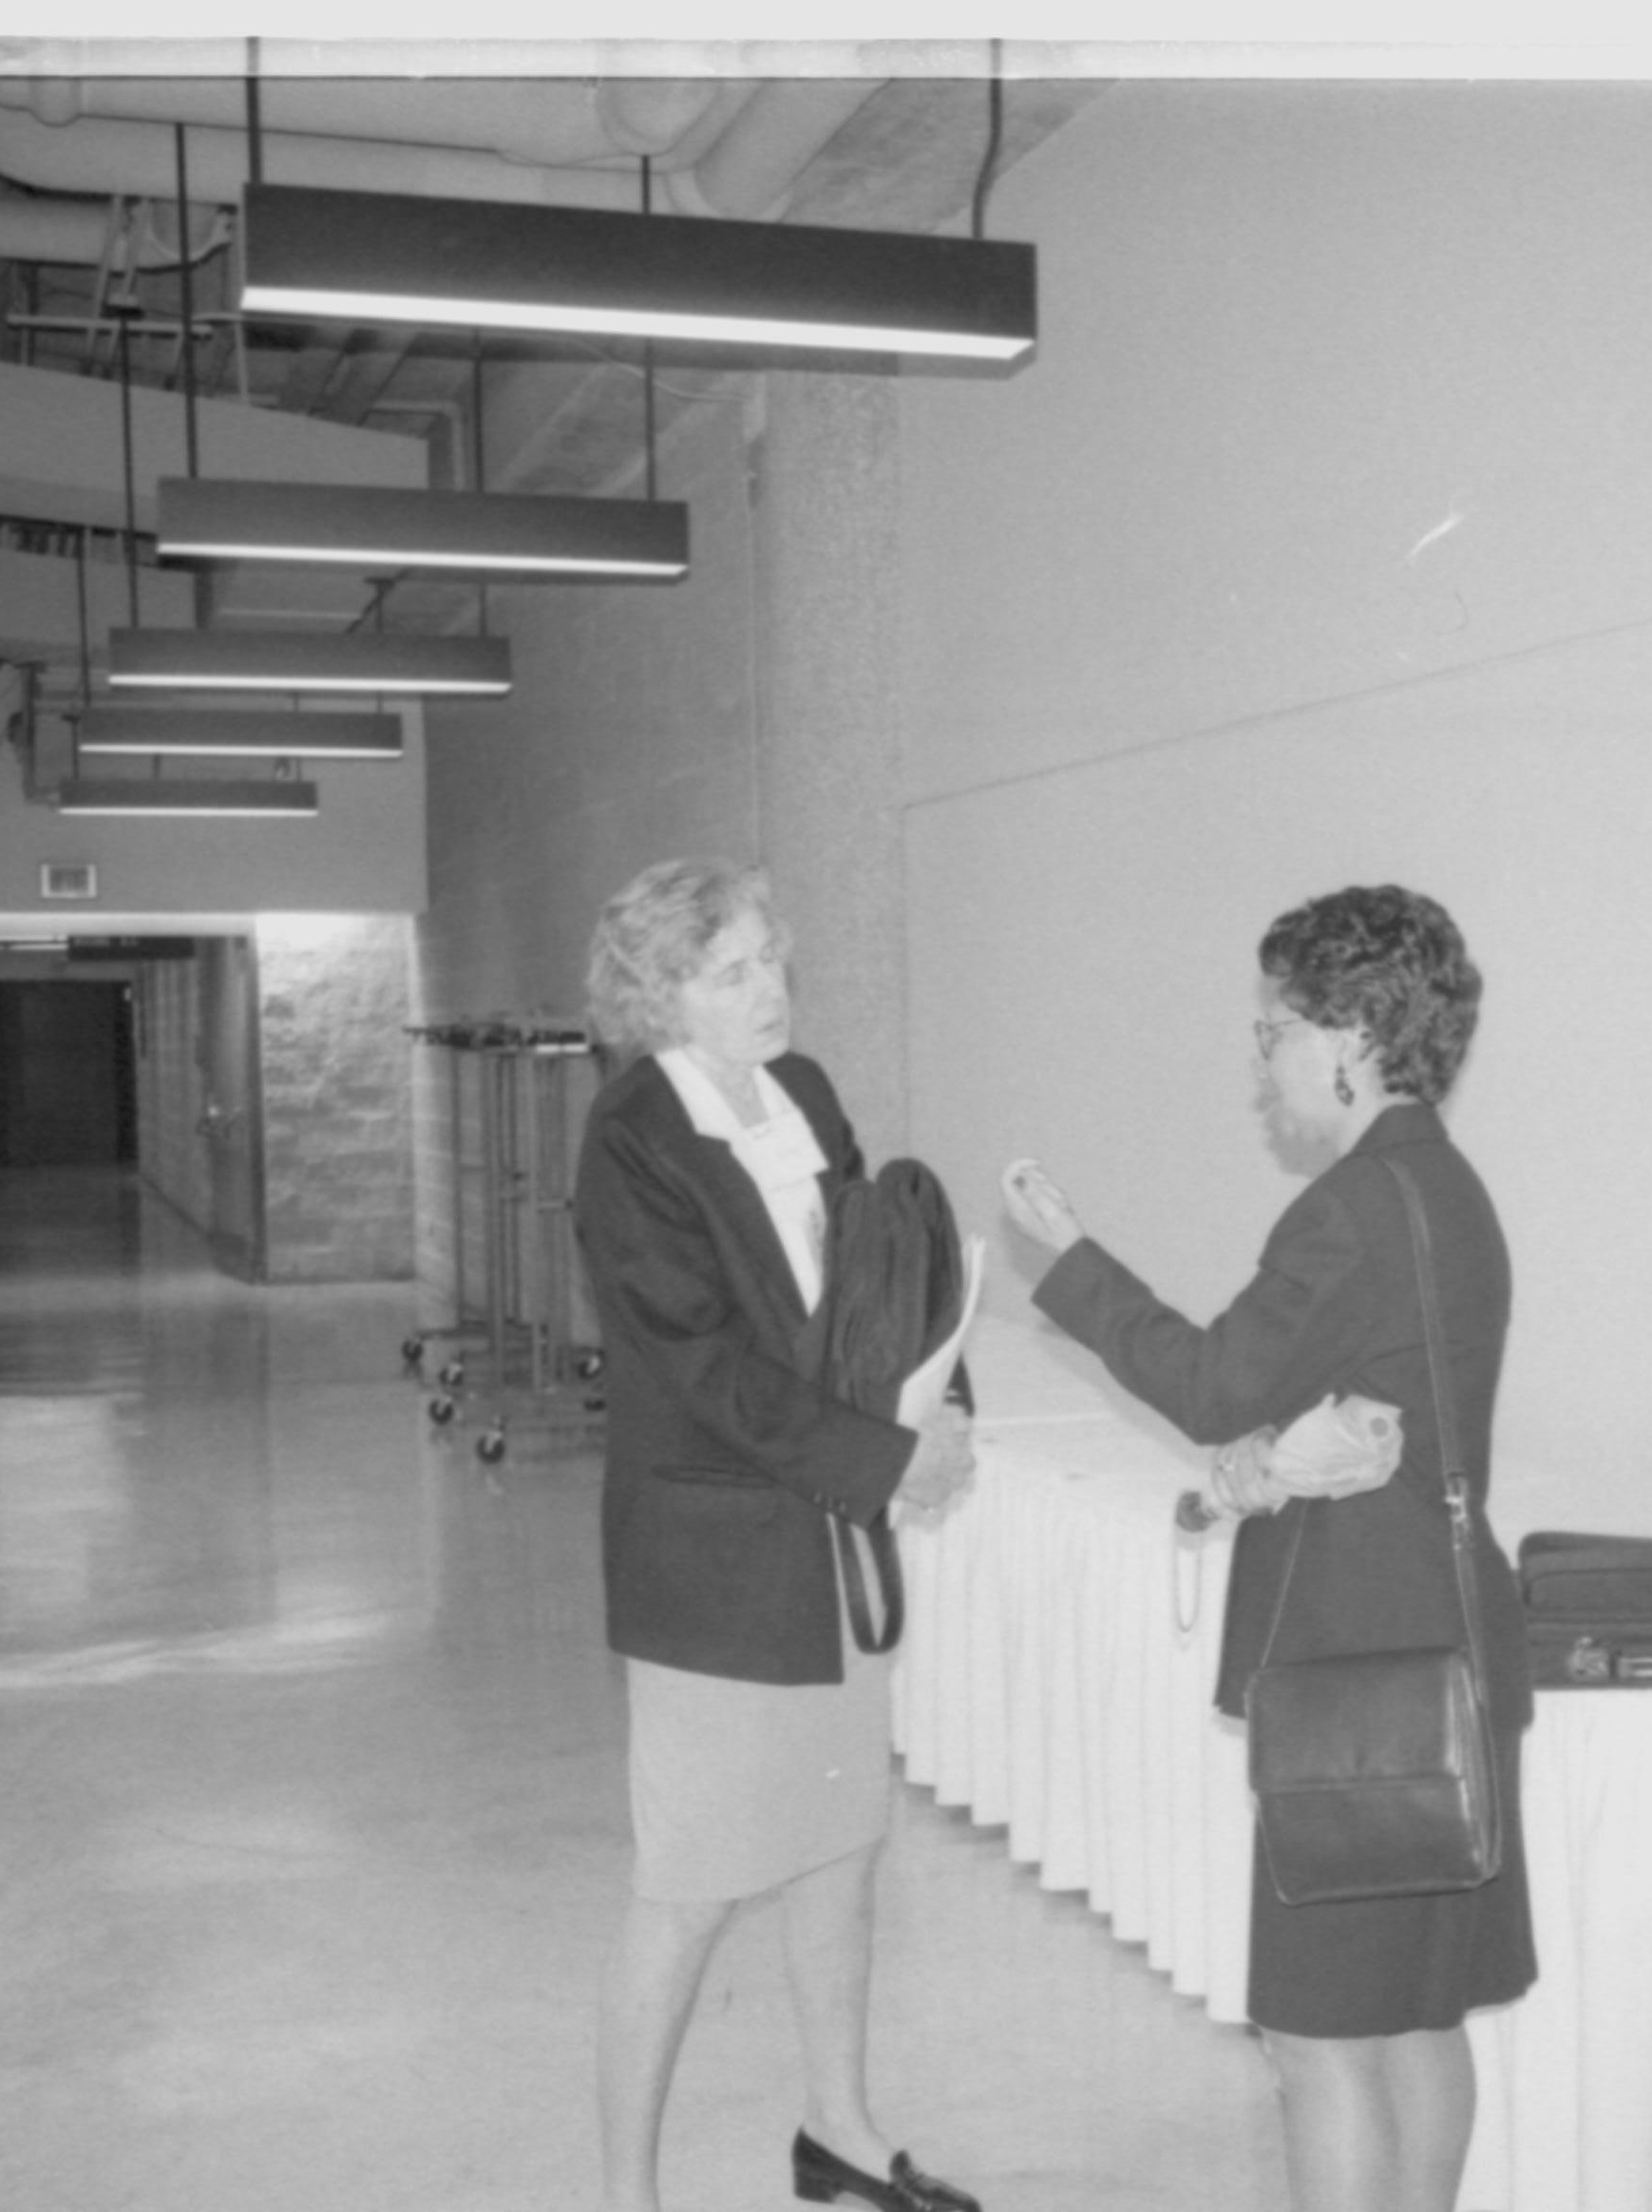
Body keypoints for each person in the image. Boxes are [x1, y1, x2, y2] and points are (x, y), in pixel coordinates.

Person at [1000, 884, 1533, 2212]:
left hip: (1362, 1671)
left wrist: (1069, 1264)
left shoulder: (1352, 1207)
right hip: (1451, 1644)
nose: (1259, 1062)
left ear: (1347, 1034)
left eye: (1269, 1031)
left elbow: (1213, 1382)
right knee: (1417, 2019)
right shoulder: (1449, 1191)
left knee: (1316, 2043)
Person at [572, 858, 984, 2212]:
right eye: (733, 970)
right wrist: (884, 1460)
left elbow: (885, 1274)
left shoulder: (803, 1095)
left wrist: (944, 1404)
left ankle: (841, 2134)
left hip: (829, 1531)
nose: (772, 990)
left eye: (774, 960)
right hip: (718, 1558)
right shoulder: (633, 1136)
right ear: (658, 993)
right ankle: (627, 2192)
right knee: (690, 1888)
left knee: (836, 1847)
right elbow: (703, 1367)